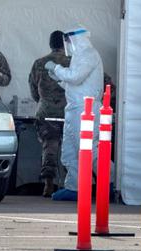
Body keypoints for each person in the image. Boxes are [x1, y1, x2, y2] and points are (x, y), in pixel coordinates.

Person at [44, 26, 103, 201]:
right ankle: (74, 188)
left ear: (75, 39)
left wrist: (56, 69)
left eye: (68, 40)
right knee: (71, 151)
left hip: (86, 109)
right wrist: (61, 80)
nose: (66, 44)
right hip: (75, 108)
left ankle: (109, 182)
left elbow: (76, 76)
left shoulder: (88, 54)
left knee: (89, 150)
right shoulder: (80, 56)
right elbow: (78, 85)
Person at [28, 31, 70, 197]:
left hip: (46, 111)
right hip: (68, 111)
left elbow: (33, 90)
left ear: (50, 44)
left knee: (49, 147)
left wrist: (44, 100)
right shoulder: (72, 62)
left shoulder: (39, 63)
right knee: (71, 149)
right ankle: (70, 183)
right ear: (65, 44)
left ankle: (48, 184)